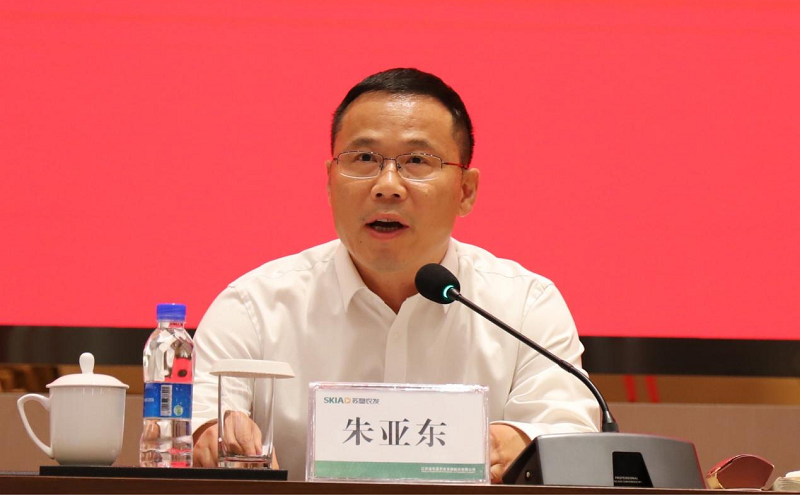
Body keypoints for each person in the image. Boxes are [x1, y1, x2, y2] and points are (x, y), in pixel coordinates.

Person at [191, 68, 599, 483]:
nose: (387, 186)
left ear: (466, 190)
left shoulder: (525, 308)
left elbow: (569, 433)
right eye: (364, 159)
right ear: (329, 181)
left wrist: (521, 442)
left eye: (417, 161)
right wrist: (211, 436)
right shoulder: (253, 308)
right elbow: (199, 418)